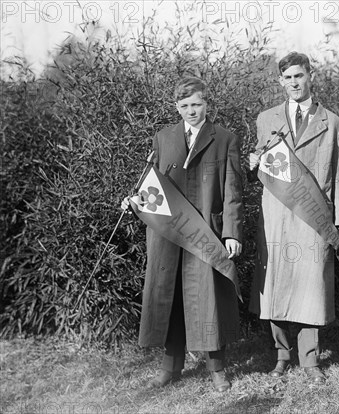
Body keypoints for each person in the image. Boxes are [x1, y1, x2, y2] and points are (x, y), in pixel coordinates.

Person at [121, 77, 243, 391]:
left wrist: (231, 233)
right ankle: (170, 366)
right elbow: (151, 186)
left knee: (210, 298)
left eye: (197, 104)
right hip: (169, 233)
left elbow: (232, 192)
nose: (191, 111)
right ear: (177, 107)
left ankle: (217, 368)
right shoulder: (162, 138)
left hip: (207, 231)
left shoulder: (225, 138)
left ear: (207, 105)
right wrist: (134, 202)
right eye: (185, 105)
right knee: (171, 297)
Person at [248, 52, 339, 384]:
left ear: (311, 76)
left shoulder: (334, 124)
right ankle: (281, 355)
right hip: (276, 214)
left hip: (314, 217)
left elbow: (338, 179)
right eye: (287, 77)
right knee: (276, 284)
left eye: (299, 76)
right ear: (280, 81)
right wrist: (252, 163)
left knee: (311, 286)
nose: (294, 82)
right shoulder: (266, 119)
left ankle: (309, 358)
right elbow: (262, 168)